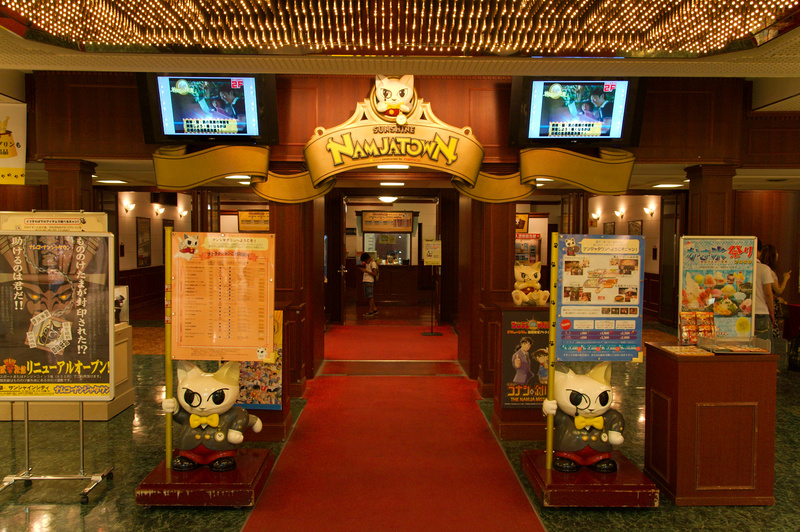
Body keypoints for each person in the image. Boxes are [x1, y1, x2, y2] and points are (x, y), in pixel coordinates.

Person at [759, 244, 792, 337]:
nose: (778, 254)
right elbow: (778, 290)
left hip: (762, 303)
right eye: (776, 252)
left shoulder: (760, 268)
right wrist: (786, 278)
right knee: (769, 332)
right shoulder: (769, 271)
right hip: (768, 305)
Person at [754, 242, 777, 343]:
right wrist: (772, 312)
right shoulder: (764, 269)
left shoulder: (740, 268)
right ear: (759, 252)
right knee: (763, 347)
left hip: (744, 312)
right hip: (761, 312)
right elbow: (768, 293)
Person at [358, 252, 378, 317]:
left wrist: (366, 271)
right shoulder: (368, 263)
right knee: (369, 296)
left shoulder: (373, 263)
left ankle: (370, 311)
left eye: (365, 261)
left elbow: (375, 273)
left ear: (367, 258)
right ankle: (374, 309)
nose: (365, 262)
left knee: (370, 296)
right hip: (366, 281)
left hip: (369, 281)